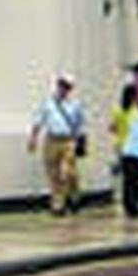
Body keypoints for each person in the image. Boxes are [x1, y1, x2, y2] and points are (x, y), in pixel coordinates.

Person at [28, 74, 86, 216]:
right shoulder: (48, 104)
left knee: (67, 173)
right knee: (53, 174)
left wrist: (81, 141)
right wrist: (33, 139)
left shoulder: (75, 105)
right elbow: (38, 121)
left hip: (68, 140)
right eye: (61, 85)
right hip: (51, 140)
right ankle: (57, 205)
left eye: (66, 86)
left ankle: (74, 196)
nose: (63, 89)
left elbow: (80, 125)